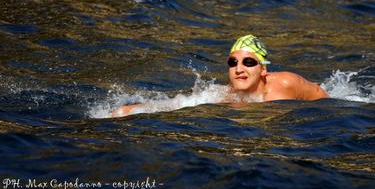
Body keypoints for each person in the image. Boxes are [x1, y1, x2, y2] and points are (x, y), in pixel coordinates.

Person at [112, 34, 328, 117]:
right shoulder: (225, 96)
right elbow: (177, 104)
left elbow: (324, 100)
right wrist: (131, 110)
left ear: (263, 69)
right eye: (233, 62)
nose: (239, 68)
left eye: (249, 62)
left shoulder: (286, 84)